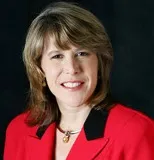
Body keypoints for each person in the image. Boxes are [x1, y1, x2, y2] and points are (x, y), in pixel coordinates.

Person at [4, 1, 154, 160]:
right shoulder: (18, 131)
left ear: (99, 62)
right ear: (39, 69)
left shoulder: (135, 132)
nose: (72, 68)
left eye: (82, 53)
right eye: (57, 56)